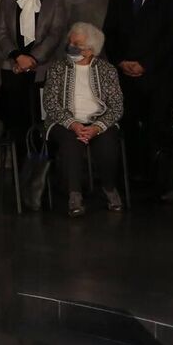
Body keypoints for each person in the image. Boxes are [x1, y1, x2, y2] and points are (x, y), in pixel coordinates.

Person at [101, 0, 173, 198]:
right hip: (125, 76)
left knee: (157, 129)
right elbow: (110, 32)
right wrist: (121, 61)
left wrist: (145, 63)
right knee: (127, 128)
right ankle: (130, 181)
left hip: (160, 76)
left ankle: (158, 185)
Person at [0, 0, 71, 184]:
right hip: (13, 69)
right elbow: (1, 33)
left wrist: (32, 59)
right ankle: (20, 174)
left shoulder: (55, 0)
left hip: (42, 70)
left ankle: (43, 175)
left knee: (40, 121)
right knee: (16, 123)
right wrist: (17, 56)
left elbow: (55, 34)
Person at [42, 22, 125, 216]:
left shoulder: (107, 70)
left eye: (77, 44)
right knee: (70, 143)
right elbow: (50, 102)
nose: (71, 46)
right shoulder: (57, 68)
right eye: (70, 42)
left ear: (90, 50)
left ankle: (109, 189)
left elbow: (117, 106)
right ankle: (74, 195)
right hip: (65, 122)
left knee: (108, 143)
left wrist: (97, 127)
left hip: (99, 122)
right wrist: (73, 124)